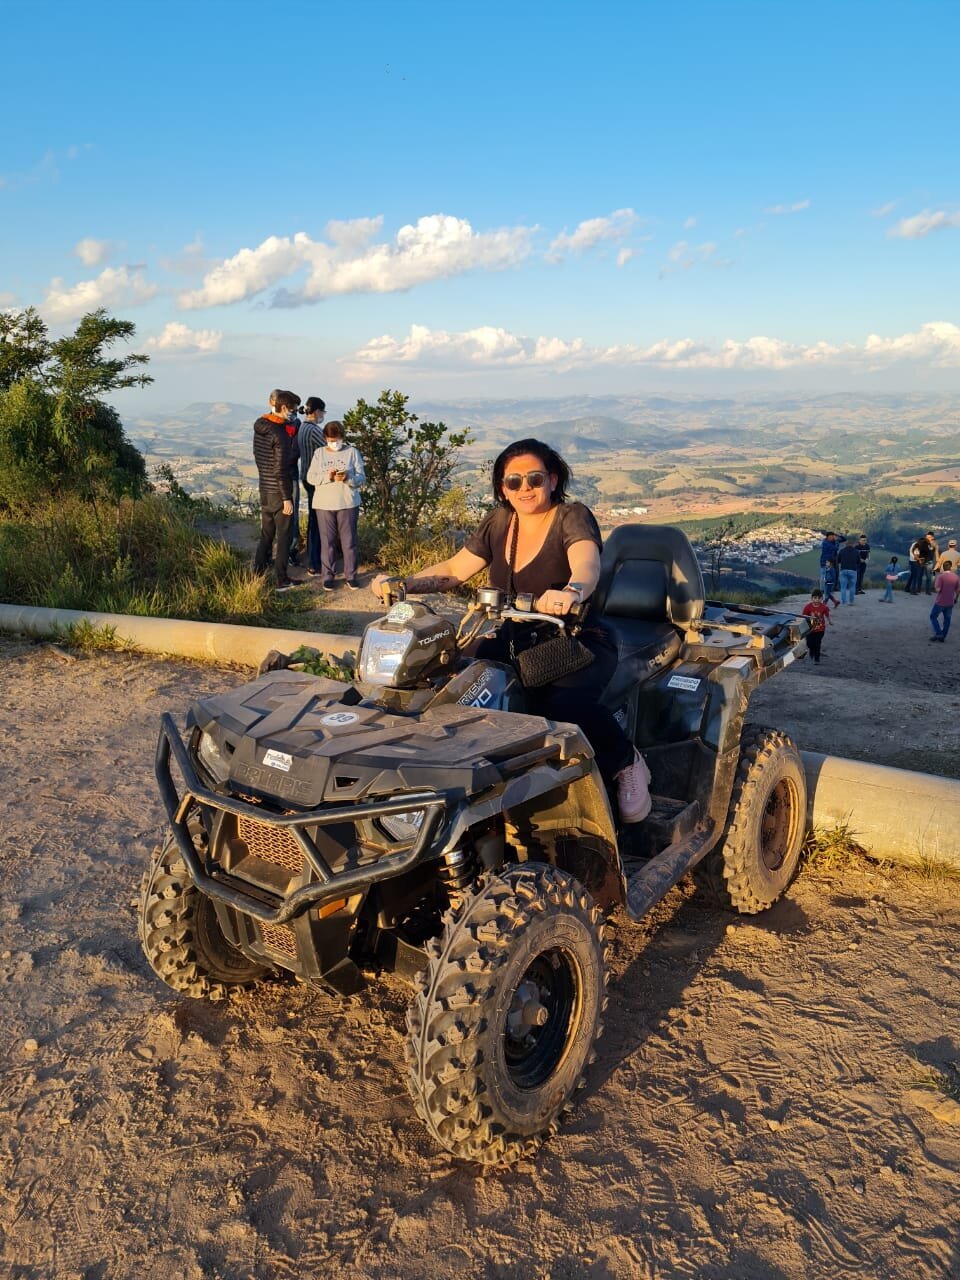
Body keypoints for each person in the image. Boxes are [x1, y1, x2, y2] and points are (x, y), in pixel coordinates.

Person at [371, 438, 652, 822]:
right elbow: (454, 570)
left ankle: (626, 762)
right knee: (450, 682)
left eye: (534, 479)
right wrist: (404, 584)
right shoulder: (500, 522)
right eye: (513, 482)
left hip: (572, 636)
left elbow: (587, 564)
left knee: (561, 706)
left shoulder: (571, 516)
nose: (525, 488)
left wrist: (572, 591)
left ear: (552, 479)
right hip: (515, 638)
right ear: (502, 487)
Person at [307, 420, 365, 591]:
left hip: (347, 503)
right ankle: (328, 576)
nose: (335, 443)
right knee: (327, 542)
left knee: (349, 542)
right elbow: (311, 478)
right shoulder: (319, 454)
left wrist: (349, 478)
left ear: (343, 437)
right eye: (331, 440)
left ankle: (351, 576)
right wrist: (329, 477)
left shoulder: (352, 452)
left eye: (338, 439)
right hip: (324, 505)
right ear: (326, 438)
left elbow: (362, 477)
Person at [253, 389, 300, 591]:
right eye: (293, 409)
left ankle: (258, 570)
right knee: (284, 535)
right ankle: (281, 579)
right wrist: (287, 499)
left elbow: (260, 458)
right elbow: (281, 470)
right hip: (279, 492)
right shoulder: (280, 434)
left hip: (265, 488)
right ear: (283, 407)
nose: (295, 413)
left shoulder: (261, 426)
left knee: (267, 533)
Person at [297, 397, 327, 576]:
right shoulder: (313, 430)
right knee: (316, 522)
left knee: (314, 520)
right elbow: (330, 446)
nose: (322, 415)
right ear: (316, 411)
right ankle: (314, 562)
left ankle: (314, 559)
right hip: (314, 480)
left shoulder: (302, 427)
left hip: (306, 477)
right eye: (322, 411)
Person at [929, 558, 959, 643]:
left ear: (943, 568)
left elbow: (938, 590)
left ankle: (938, 633)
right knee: (947, 619)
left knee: (933, 616)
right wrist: (956, 599)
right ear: (950, 568)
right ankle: (943, 636)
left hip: (940, 601)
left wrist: (934, 585)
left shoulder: (941, 577)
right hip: (950, 602)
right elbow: (958, 590)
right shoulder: (956, 577)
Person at [801, 588, 831, 663]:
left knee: (817, 643)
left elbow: (827, 614)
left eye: (819, 598)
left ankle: (817, 658)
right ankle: (811, 650)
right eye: (815, 598)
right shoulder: (808, 607)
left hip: (820, 629)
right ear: (812, 598)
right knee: (809, 643)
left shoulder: (823, 607)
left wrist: (830, 621)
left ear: (821, 598)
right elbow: (803, 616)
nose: (817, 600)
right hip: (810, 629)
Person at [909, 531, 938, 595]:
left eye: (929, 537)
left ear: (933, 537)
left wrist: (938, 562)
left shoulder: (934, 544)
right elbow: (917, 550)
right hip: (921, 561)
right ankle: (917, 589)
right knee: (919, 576)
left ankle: (928, 591)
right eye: (927, 537)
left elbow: (936, 553)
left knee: (928, 577)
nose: (927, 538)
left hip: (929, 562)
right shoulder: (923, 542)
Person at [837, 536, 861, 606]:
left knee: (843, 587)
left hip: (843, 570)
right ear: (853, 545)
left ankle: (844, 602)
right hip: (853, 570)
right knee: (852, 587)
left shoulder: (841, 551)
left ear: (846, 544)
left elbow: (838, 561)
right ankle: (851, 601)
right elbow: (858, 562)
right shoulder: (856, 552)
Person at [819, 532, 839, 599]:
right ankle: (822, 590)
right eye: (831, 536)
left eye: (833, 536)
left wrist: (838, 536)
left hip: (830, 562)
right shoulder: (826, 543)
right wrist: (836, 541)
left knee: (830, 575)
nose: (833, 538)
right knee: (823, 575)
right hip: (825, 561)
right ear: (828, 537)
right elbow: (835, 548)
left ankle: (828, 589)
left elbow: (843, 539)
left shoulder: (829, 542)